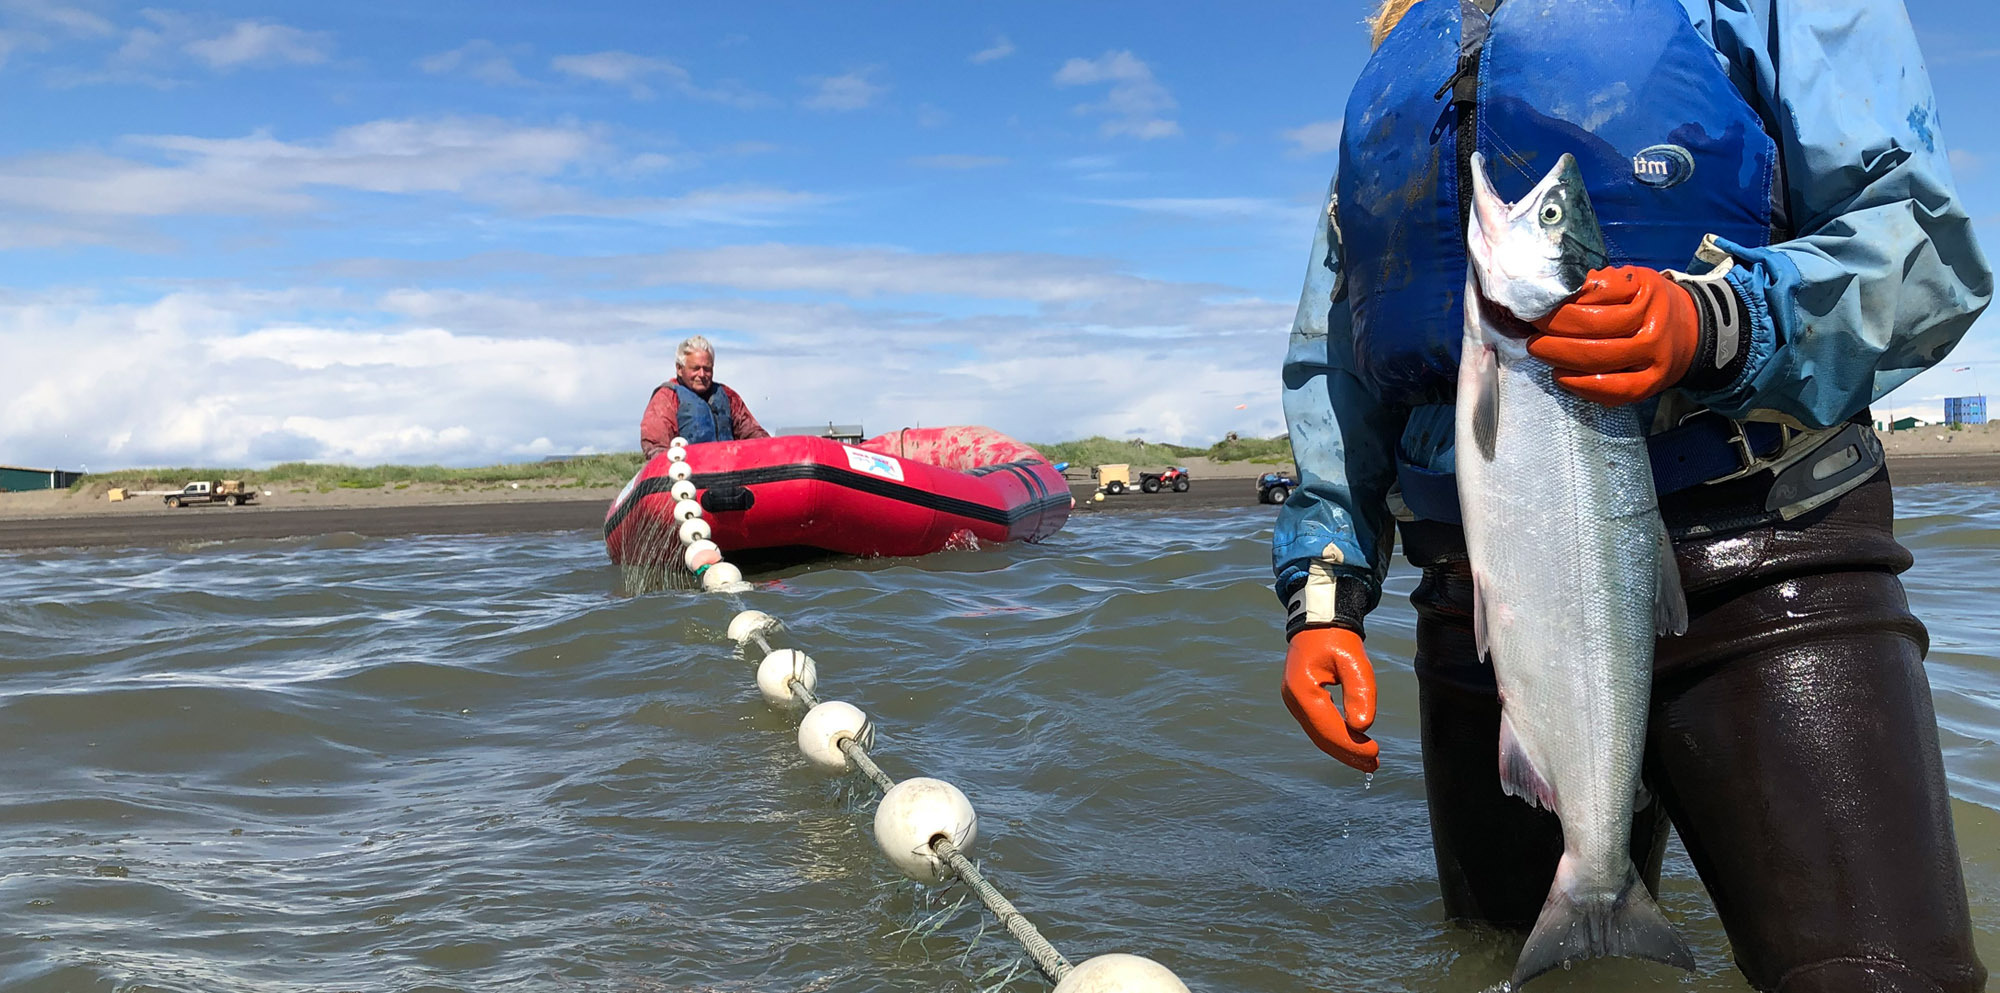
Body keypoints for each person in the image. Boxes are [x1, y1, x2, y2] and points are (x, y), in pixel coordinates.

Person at [1273, 1, 1990, 991]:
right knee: (1503, 970)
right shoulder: (1406, 51)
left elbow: (1926, 251)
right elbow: (1335, 357)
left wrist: (1721, 317)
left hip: (1768, 562)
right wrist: (1325, 593)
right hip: (1480, 603)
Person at [639, 335, 770, 455]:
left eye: (707, 369)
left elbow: (752, 432)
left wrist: (769, 449)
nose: (702, 375)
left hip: (730, 471)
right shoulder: (666, 398)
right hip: (687, 475)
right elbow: (655, 447)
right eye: (695, 368)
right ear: (679, 369)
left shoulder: (728, 396)